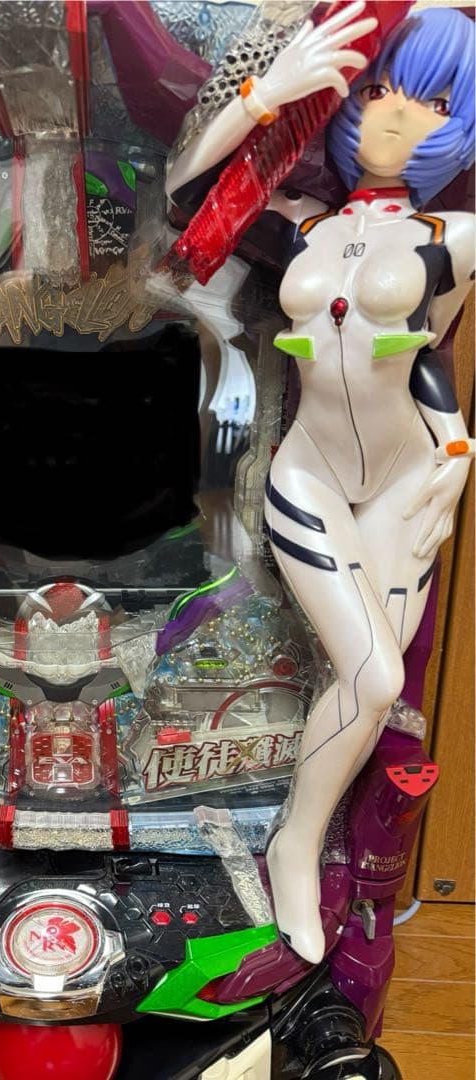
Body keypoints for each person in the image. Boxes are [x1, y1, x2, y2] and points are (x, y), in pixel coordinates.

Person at [166, 2, 476, 963]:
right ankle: (295, 843)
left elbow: (426, 359)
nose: (398, 115)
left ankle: (299, 843)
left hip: (407, 478)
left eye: (433, 102)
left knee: (368, 684)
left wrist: (456, 448)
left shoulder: (456, 233)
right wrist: (267, 94)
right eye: (381, 89)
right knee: (372, 674)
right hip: (305, 468)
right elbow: (187, 198)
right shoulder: (303, 225)